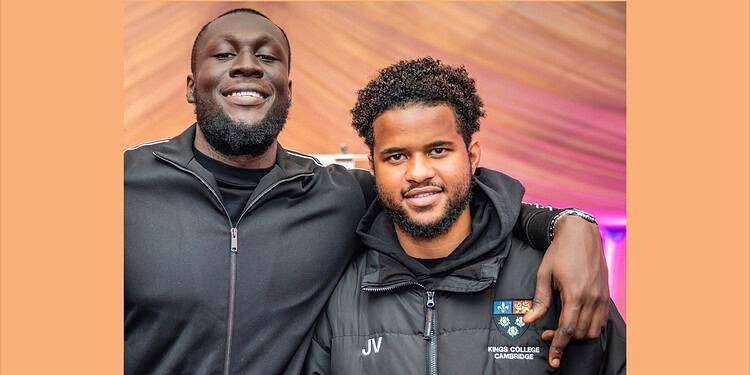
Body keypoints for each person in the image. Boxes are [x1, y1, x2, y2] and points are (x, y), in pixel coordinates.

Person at [125, 8, 612, 375]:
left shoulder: (339, 196)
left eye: (267, 56)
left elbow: (462, 198)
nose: (248, 66)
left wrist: (570, 224)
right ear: (191, 85)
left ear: (289, 89)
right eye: (225, 54)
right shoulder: (120, 187)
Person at [303, 57, 625, 374]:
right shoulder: (342, 292)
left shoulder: (557, 276)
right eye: (396, 156)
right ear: (373, 168)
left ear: (471, 157)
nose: (418, 172)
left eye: (438, 151)